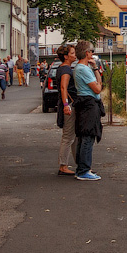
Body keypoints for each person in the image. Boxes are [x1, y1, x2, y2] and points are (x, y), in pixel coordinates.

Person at [71, 41, 104, 181]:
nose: (93, 53)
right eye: (92, 51)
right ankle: (84, 170)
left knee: (84, 136)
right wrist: (97, 77)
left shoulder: (83, 68)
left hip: (85, 103)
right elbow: (97, 88)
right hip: (88, 104)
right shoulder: (83, 69)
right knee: (88, 136)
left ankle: (82, 168)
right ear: (87, 53)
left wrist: (95, 68)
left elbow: (98, 85)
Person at [54, 44, 79, 176]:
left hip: (67, 104)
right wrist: (66, 105)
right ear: (66, 56)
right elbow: (64, 88)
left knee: (73, 136)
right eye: (72, 53)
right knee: (68, 136)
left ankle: (79, 163)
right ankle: (63, 166)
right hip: (69, 105)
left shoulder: (63, 68)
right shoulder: (66, 70)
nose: (75, 55)